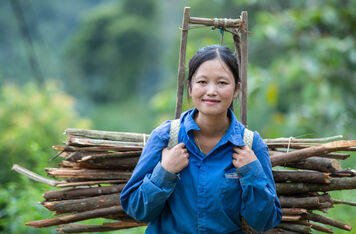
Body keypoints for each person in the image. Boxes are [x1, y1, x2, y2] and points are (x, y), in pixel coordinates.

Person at [120, 45, 282, 233]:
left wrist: (251, 172)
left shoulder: (251, 145)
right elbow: (136, 209)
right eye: (202, 82)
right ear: (189, 87)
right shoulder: (165, 137)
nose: (211, 91)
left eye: (222, 83)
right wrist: (164, 172)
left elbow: (265, 222)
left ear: (236, 89)